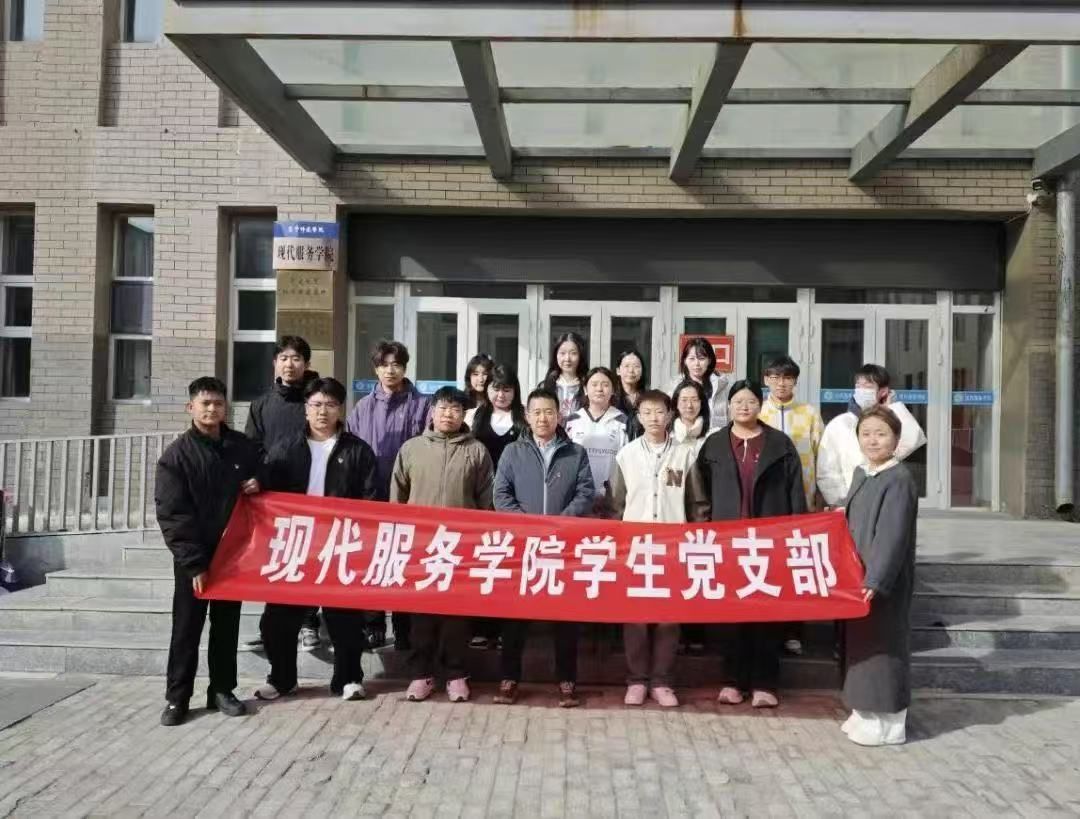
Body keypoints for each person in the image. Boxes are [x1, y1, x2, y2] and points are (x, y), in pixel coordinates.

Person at [256, 377, 378, 703]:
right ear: (306, 409)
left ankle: (348, 678)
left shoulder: (358, 451)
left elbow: (371, 499)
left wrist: (360, 541)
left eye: (330, 405)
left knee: (345, 619)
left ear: (341, 409)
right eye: (316, 405)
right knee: (277, 620)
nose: (323, 411)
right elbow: (267, 493)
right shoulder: (285, 449)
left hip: (340, 545)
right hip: (296, 545)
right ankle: (282, 678)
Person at [688, 379, 807, 709]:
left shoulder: (780, 444)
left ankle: (765, 683)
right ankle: (732, 681)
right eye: (738, 401)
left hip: (769, 541)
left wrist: (796, 533)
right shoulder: (714, 444)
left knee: (766, 612)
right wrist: (703, 529)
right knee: (731, 614)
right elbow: (700, 492)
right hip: (726, 542)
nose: (744, 407)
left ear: (760, 404)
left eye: (750, 401)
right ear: (728, 406)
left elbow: (795, 493)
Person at [155, 377, 261, 726]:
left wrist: (259, 481)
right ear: (191, 408)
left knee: (226, 626)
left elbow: (266, 473)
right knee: (187, 628)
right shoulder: (176, 457)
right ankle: (177, 698)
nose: (212, 409)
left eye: (218, 403)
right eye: (205, 403)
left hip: (232, 556)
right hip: (194, 560)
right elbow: (172, 515)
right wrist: (194, 563)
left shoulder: (242, 447)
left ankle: (222, 690)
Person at [391, 387, 495, 703]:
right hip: (420, 546)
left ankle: (455, 675)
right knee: (420, 616)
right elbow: (397, 497)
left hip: (459, 548)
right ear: (432, 411)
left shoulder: (476, 451)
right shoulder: (411, 449)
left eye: (455, 409)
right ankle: (421, 674)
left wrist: (477, 540)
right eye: (443, 408)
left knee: (456, 617)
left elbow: (486, 501)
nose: (448, 414)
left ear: (464, 415)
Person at [492, 388, 595, 707]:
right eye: (536, 412)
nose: (543, 418)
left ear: (559, 414)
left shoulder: (575, 452)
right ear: (527, 415)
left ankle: (567, 680)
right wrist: (527, 526)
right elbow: (501, 495)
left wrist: (560, 524)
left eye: (549, 411)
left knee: (565, 617)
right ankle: (509, 678)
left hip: (563, 547)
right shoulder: (512, 452)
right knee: (515, 616)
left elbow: (585, 493)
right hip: (524, 546)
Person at [609, 390, 699, 708]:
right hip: (635, 548)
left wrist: (694, 544)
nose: (653, 418)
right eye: (646, 412)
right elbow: (615, 505)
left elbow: (697, 504)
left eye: (659, 411)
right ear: (638, 417)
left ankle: (661, 681)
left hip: (673, 547)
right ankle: (636, 680)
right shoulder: (626, 455)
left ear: (670, 414)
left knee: (668, 617)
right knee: (634, 616)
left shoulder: (686, 455)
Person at [345, 340, 432, 651]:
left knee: (407, 564)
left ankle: (405, 628)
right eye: (384, 364)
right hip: (372, 497)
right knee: (374, 561)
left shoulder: (423, 405)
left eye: (396, 364)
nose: (390, 370)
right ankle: (374, 624)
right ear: (376, 369)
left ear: (405, 367)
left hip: (410, 499)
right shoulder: (362, 408)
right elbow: (352, 452)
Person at [841, 405, 919, 746]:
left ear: (896, 440)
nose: (873, 441)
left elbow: (893, 536)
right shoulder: (862, 473)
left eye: (881, 434)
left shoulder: (899, 479)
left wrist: (877, 579)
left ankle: (889, 720)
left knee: (883, 648)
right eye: (866, 434)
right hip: (856, 575)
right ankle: (863, 711)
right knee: (860, 646)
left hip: (882, 581)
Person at [242, 335, 322, 653]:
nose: (290, 364)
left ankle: (309, 623)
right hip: (274, 497)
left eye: (296, 358)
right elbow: (252, 448)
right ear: (275, 363)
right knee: (277, 561)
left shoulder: (316, 400)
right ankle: (271, 627)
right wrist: (258, 479)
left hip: (311, 492)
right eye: (284, 358)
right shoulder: (262, 405)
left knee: (309, 560)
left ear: (307, 363)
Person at [758, 355, 825, 657]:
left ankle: (794, 631)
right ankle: (766, 628)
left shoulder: (808, 414)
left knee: (796, 567)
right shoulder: (758, 412)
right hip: (768, 506)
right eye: (775, 377)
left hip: (803, 504)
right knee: (768, 567)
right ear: (766, 380)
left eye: (787, 378)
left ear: (795, 381)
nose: (781, 383)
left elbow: (822, 456)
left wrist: (821, 498)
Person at [464, 364, 527, 650]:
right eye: (496, 388)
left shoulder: (524, 418)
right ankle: (481, 627)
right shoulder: (473, 417)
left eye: (507, 389)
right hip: (481, 501)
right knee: (483, 564)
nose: (501, 395)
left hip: (515, 502)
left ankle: (507, 630)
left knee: (510, 568)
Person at [817, 364, 927, 508]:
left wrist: (893, 407)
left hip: (884, 502)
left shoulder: (888, 423)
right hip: (848, 505)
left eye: (867, 386)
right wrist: (842, 502)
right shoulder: (840, 424)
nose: (861, 390)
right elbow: (827, 470)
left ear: (883, 392)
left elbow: (913, 438)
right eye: (858, 386)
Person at [671, 378, 713, 657]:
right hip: (672, 514)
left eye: (694, 400)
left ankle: (697, 633)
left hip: (703, 513)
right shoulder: (666, 437)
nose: (689, 405)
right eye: (683, 399)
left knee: (698, 573)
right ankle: (675, 633)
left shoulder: (713, 437)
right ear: (675, 404)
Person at [565, 366, 628, 514]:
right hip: (577, 497)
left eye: (605, 385)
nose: (599, 389)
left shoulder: (623, 421)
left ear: (613, 390)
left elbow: (627, 460)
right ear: (585, 389)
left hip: (612, 499)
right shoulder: (573, 420)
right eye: (594, 384)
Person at [670, 337, 731, 432]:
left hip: (715, 438)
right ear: (685, 361)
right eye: (692, 359)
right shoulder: (675, 388)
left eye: (701, 358)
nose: (697, 364)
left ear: (709, 360)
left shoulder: (722, 387)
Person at [539, 331, 589, 424]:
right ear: (556, 355)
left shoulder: (588, 386)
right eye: (562, 353)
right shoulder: (545, 386)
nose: (567, 358)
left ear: (581, 356)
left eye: (573, 353)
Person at [614, 349, 647, 441]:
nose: (631, 370)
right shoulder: (610, 398)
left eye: (636, 366)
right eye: (626, 366)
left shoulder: (648, 398)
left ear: (642, 371)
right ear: (618, 371)